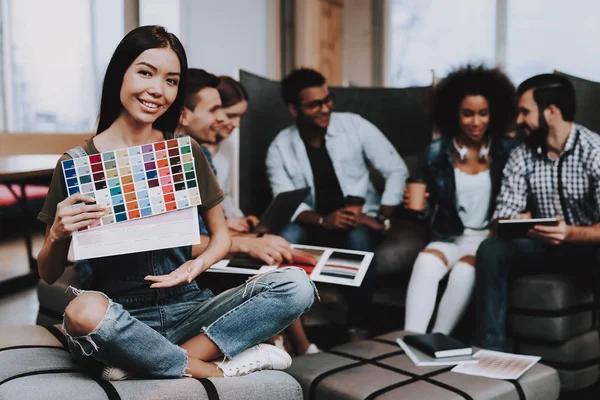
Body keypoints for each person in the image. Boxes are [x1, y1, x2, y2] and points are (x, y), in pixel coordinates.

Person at [36, 25, 315, 381]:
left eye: (171, 80)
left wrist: (196, 267)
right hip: (119, 314)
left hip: (190, 306)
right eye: (145, 72)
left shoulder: (185, 151)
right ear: (119, 74)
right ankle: (210, 369)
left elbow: (221, 237)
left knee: (295, 285)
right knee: (81, 311)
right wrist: (58, 233)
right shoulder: (76, 162)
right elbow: (48, 274)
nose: (157, 90)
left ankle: (146, 359)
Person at [177, 69, 319, 355]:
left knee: (291, 279)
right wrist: (245, 243)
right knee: (268, 267)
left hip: (203, 256)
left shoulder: (200, 154)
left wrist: (245, 236)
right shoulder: (176, 157)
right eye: (217, 110)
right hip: (189, 270)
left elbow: (210, 225)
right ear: (184, 115)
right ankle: (284, 346)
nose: (224, 121)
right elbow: (179, 241)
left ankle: (283, 346)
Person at [266, 67, 408, 338]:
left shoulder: (354, 125)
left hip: (356, 221)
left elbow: (396, 169)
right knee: (285, 238)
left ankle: (358, 326)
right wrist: (322, 220)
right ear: (294, 110)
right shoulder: (280, 147)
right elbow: (286, 202)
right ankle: (287, 329)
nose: (325, 108)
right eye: (314, 104)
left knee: (358, 239)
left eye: (328, 99)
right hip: (314, 223)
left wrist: (383, 217)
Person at [475, 73, 600, 351]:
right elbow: (502, 215)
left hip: (587, 249)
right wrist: (514, 221)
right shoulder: (522, 155)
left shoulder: (595, 152)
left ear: (551, 112)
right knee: (491, 250)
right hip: (542, 247)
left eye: (525, 112)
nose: (519, 121)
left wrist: (570, 233)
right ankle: (489, 354)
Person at [403, 65, 517, 335]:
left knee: (464, 273)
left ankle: (437, 342)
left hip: (487, 241)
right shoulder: (436, 153)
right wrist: (414, 204)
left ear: (494, 114)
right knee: (425, 262)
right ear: (454, 114)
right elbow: (421, 210)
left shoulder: (509, 152)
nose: (476, 122)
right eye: (467, 114)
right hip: (449, 235)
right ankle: (407, 340)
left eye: (483, 114)